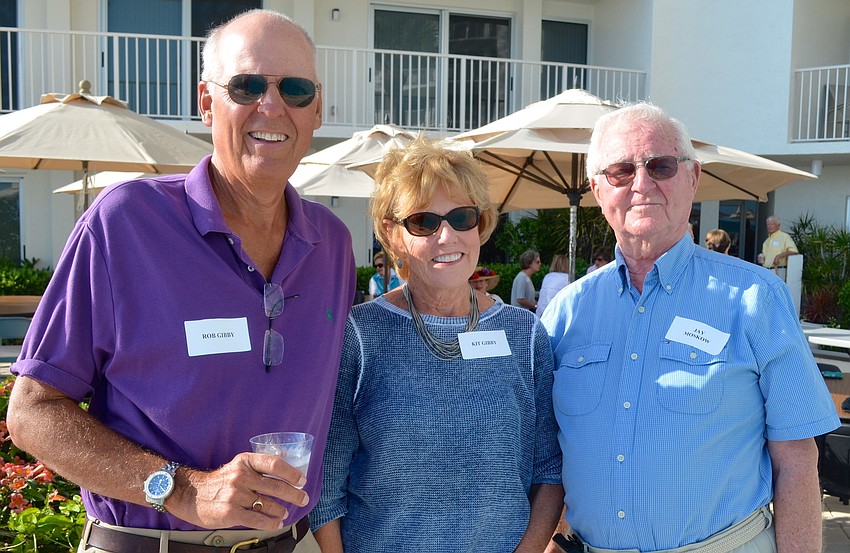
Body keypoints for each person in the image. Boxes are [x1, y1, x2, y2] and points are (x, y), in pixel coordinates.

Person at [6, 10, 356, 553]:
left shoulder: (332, 244)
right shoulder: (125, 222)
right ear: (207, 103)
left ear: (316, 109)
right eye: (246, 86)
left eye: (294, 87)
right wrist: (182, 488)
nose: (272, 105)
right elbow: (32, 412)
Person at [541, 102, 839, 553]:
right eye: (620, 171)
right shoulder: (566, 313)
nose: (642, 184)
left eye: (660, 166)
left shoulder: (756, 299)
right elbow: (553, 457)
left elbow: (797, 462)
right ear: (598, 191)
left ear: (693, 178)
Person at [311, 136, 563, 552]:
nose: (446, 236)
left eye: (462, 217)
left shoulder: (525, 335)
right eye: (424, 222)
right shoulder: (360, 335)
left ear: (481, 225)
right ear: (393, 236)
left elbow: (548, 471)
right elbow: (326, 487)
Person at [758, 216, 798, 280]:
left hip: (778, 270)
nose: (769, 226)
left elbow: (794, 251)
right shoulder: (766, 241)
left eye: (771, 224)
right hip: (766, 270)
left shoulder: (784, 237)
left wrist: (779, 256)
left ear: (778, 225)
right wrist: (761, 259)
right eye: (768, 224)